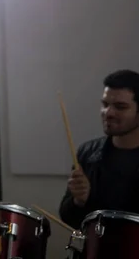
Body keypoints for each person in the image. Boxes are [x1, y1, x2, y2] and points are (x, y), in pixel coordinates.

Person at [59, 69, 139, 229]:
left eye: (120, 107)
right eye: (105, 104)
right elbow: (68, 217)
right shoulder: (87, 153)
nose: (108, 113)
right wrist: (79, 202)